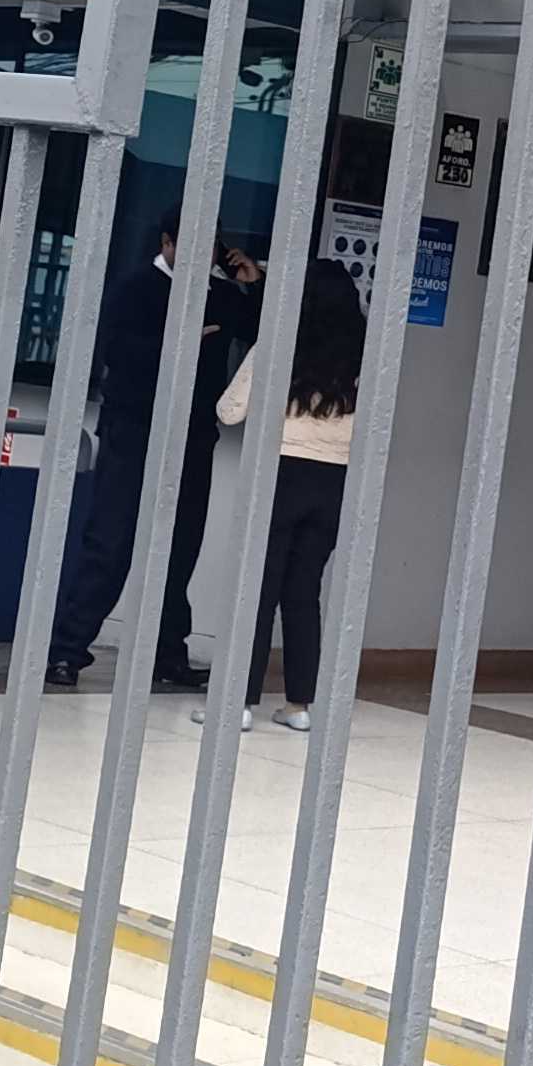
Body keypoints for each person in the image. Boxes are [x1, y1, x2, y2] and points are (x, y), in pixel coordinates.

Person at [45, 212, 261, 692]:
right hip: (133, 428)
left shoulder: (221, 294)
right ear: (167, 243)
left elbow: (264, 333)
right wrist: (175, 343)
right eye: (193, 245)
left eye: (212, 247)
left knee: (180, 548)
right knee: (110, 541)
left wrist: (254, 284)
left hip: (193, 435)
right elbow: (115, 353)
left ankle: (168, 656)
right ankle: (66, 651)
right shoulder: (135, 287)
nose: (204, 256)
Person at [200, 257, 365, 734]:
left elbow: (229, 410)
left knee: (258, 589)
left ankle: (238, 703)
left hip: (280, 474)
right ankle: (298, 706)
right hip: (333, 482)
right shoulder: (366, 358)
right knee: (303, 592)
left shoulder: (278, 343)